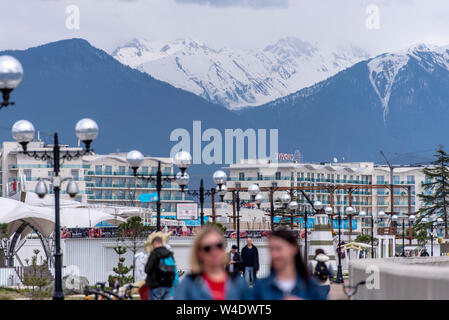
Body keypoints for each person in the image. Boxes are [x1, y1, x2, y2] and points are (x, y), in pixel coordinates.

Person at [174, 225, 249, 300]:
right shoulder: (189, 284)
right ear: (199, 252)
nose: (214, 252)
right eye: (207, 248)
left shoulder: (238, 282)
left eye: (219, 246)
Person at [252, 229, 327, 300]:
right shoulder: (260, 287)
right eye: (271, 249)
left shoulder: (312, 287)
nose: (274, 254)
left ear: (294, 248)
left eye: (278, 248)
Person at [144, 236, 177, 300]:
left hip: (156, 284)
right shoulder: (169, 254)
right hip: (168, 285)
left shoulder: (154, 254)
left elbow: (147, 269)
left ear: (155, 243)